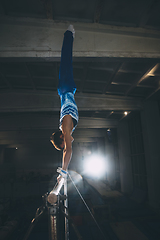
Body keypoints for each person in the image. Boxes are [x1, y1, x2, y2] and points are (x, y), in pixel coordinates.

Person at [50, 25, 78, 181]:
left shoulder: (66, 128)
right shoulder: (65, 128)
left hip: (66, 88)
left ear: (61, 136)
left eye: (63, 144)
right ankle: (68, 35)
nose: (67, 143)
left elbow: (68, 150)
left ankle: (69, 33)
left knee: (66, 59)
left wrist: (64, 171)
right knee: (66, 61)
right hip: (65, 90)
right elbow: (67, 147)